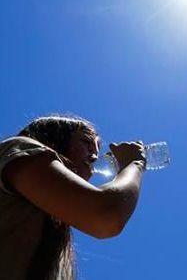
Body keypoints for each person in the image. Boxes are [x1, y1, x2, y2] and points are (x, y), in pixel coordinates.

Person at [0, 115, 146, 279]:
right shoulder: (19, 148)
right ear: (53, 139)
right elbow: (106, 215)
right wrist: (134, 164)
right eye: (86, 143)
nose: (95, 156)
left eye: (96, 149)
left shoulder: (51, 219)